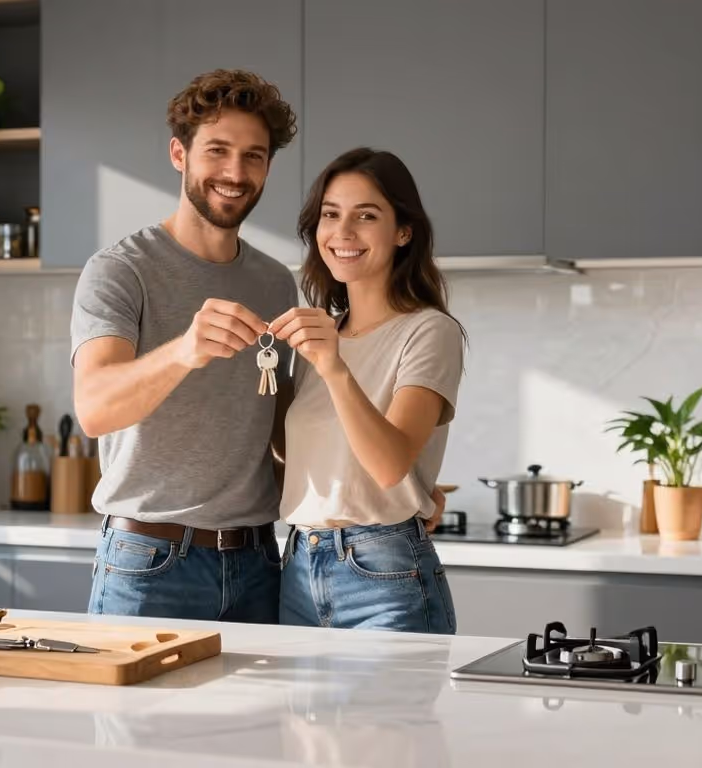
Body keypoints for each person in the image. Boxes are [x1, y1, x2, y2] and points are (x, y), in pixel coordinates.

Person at [70, 69, 299, 623]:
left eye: (254, 156)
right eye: (217, 150)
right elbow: (96, 409)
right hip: (149, 563)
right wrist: (183, 350)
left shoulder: (275, 282)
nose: (235, 172)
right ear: (180, 154)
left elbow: (282, 426)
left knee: (262, 716)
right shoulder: (121, 270)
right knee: (133, 714)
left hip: (258, 562)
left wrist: (399, 495)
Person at [270, 148, 466, 634]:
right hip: (296, 568)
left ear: (404, 231)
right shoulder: (322, 336)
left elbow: (388, 463)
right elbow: (297, 454)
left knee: (387, 715)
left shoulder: (428, 331)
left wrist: (335, 369)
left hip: (384, 575)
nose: (343, 233)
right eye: (330, 215)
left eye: (366, 216)